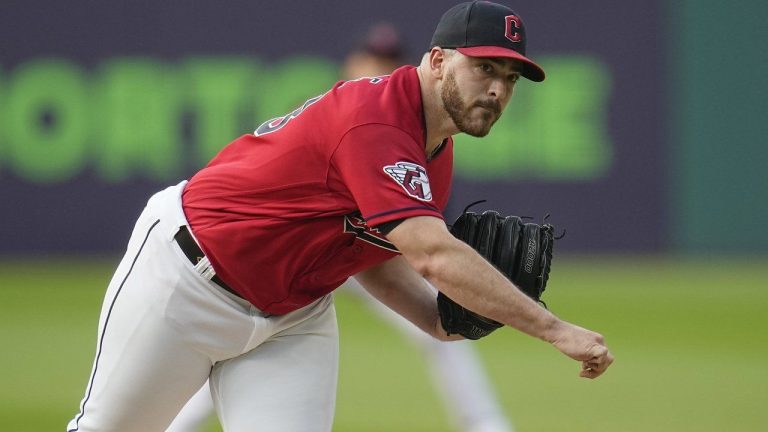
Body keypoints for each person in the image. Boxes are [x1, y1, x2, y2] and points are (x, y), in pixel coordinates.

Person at [68, 2, 614, 431]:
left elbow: (371, 255)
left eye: (512, 78)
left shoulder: (433, 150)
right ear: (439, 60)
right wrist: (553, 329)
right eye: (484, 67)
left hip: (293, 316)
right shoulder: (377, 123)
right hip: (187, 278)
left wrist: (436, 321)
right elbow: (432, 254)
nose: (497, 88)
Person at [167, 20, 516, 432]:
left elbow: (420, 231)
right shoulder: (343, 111)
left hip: (372, 253)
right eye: (372, 58)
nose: (379, 66)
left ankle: (488, 425)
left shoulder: (417, 130)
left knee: (444, 330)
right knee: (249, 345)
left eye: (387, 59)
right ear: (354, 61)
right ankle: (176, 425)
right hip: (305, 251)